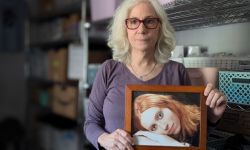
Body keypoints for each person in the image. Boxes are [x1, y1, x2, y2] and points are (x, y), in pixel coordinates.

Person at [84, 0, 227, 149]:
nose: (142, 29)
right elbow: (91, 123)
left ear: (160, 27)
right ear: (124, 28)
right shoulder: (109, 69)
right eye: (133, 22)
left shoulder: (177, 72)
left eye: (150, 21)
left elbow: (192, 138)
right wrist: (104, 138)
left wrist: (212, 117)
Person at [133, 94, 200, 146]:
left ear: (168, 104)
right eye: (154, 127)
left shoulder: (201, 120)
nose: (164, 127)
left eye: (160, 115)